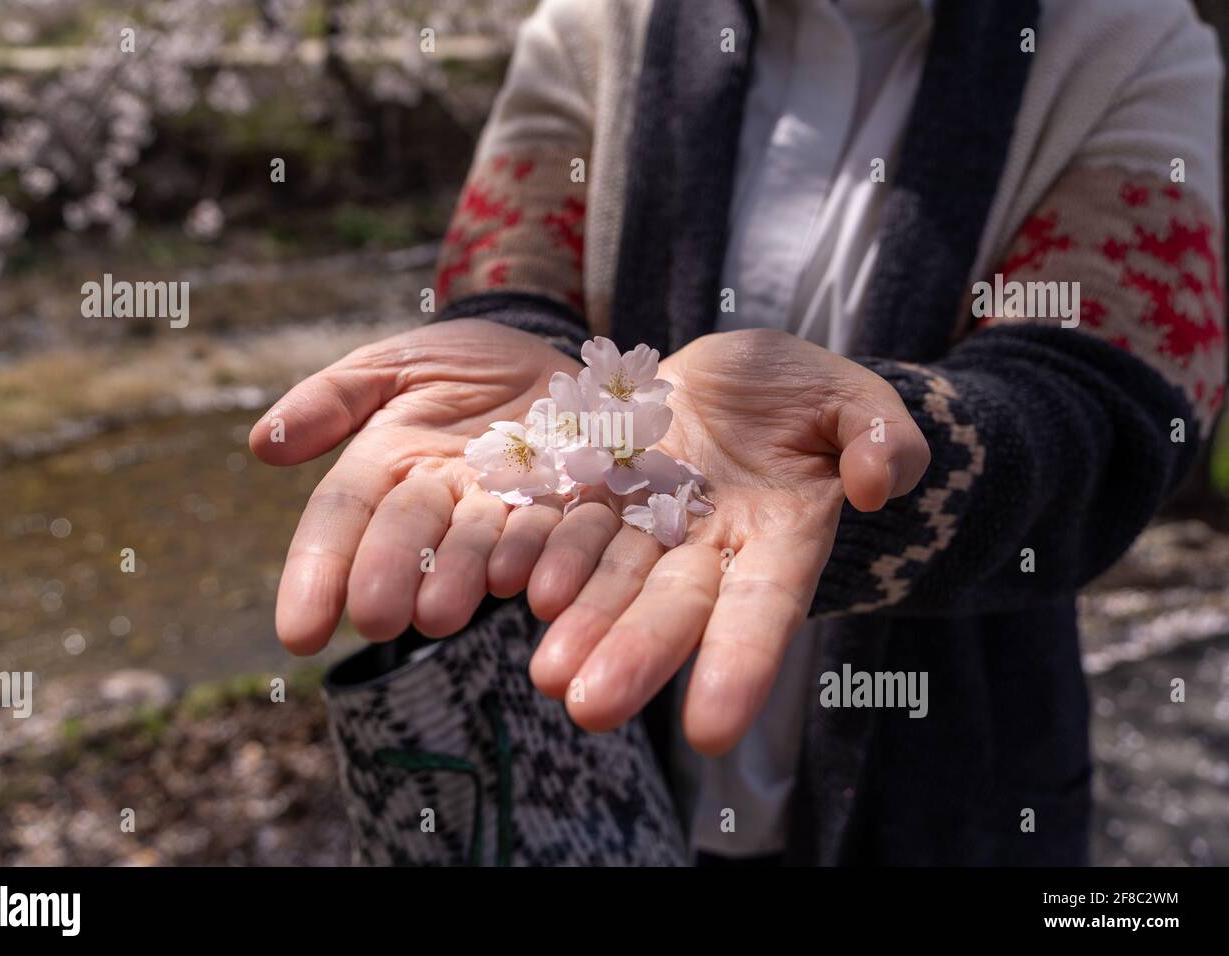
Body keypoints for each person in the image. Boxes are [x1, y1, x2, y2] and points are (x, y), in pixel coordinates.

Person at [250, 0, 1225, 864]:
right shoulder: (595, 25)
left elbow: (1107, 408)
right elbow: (514, 278)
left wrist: (865, 457)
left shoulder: (1127, 40)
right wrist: (525, 365)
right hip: (595, 767)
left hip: (951, 782)